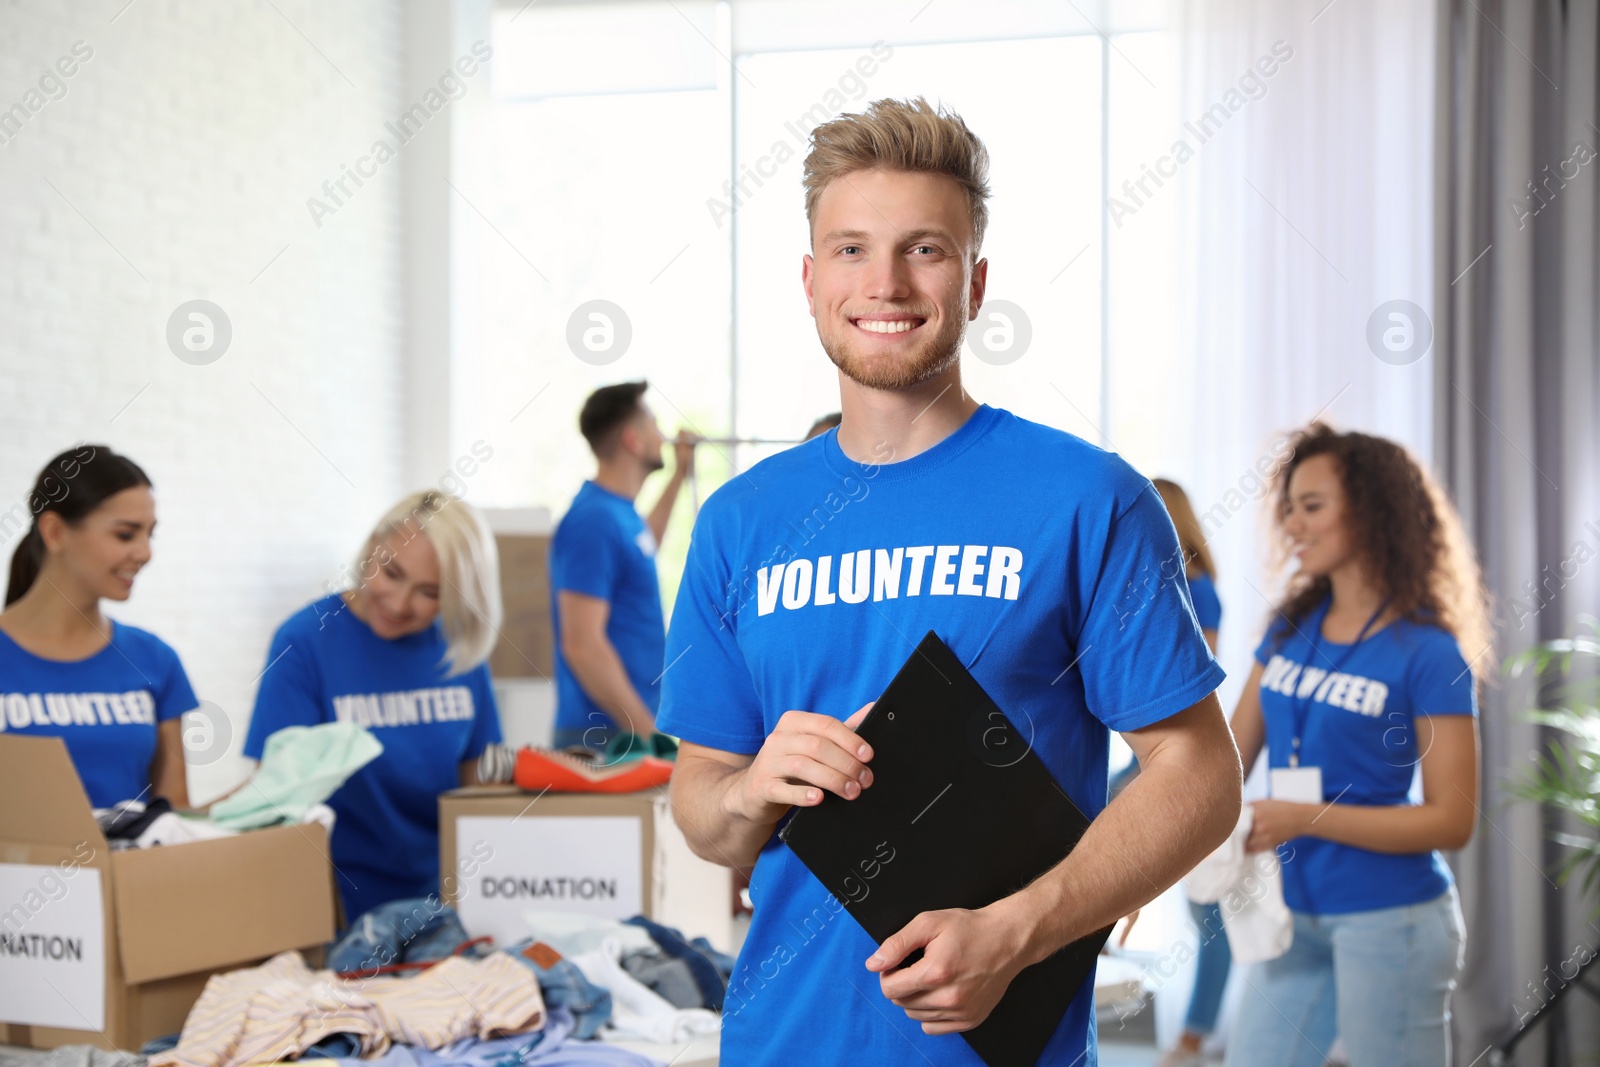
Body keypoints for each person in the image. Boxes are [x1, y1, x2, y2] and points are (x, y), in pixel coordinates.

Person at [659, 97, 1241, 1065]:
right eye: (850, 249)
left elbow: (1200, 773)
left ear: (973, 281)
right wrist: (752, 787)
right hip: (777, 1041)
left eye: (922, 249)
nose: (883, 281)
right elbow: (705, 816)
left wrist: (1021, 927)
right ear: (809, 280)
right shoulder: (736, 522)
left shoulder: (1086, 498)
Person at [1226, 423, 1488, 1067]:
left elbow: (1452, 820)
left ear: (1374, 511)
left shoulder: (1428, 652)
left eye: (1312, 506)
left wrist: (1305, 816)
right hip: (1290, 915)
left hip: (1390, 919)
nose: (1293, 524)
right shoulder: (1288, 629)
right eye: (1288, 508)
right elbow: (1225, 764)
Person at [242, 491, 503, 922]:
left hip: (446, 906)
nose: (400, 604)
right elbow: (277, 801)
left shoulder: (458, 647)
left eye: (429, 592)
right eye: (391, 572)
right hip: (335, 907)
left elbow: (479, 789)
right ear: (370, 549)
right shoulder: (305, 642)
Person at [1, 445, 196, 808]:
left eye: (149, 534)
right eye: (125, 534)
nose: (145, 553)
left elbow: (174, 819)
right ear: (55, 532)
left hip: (132, 866)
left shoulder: (155, 660)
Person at [549, 382, 694, 751]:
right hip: (604, 737)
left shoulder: (619, 514)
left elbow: (646, 544)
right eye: (654, 426)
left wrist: (679, 474)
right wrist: (648, 733)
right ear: (633, 439)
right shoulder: (593, 521)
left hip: (625, 731)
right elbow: (582, 645)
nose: (662, 436)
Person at [1147, 478, 1231, 1066]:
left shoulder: (1193, 592)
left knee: (1211, 911)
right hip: (1137, 762)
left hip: (1172, 763)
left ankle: (1194, 1036)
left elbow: (1187, 689)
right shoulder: (1152, 585)